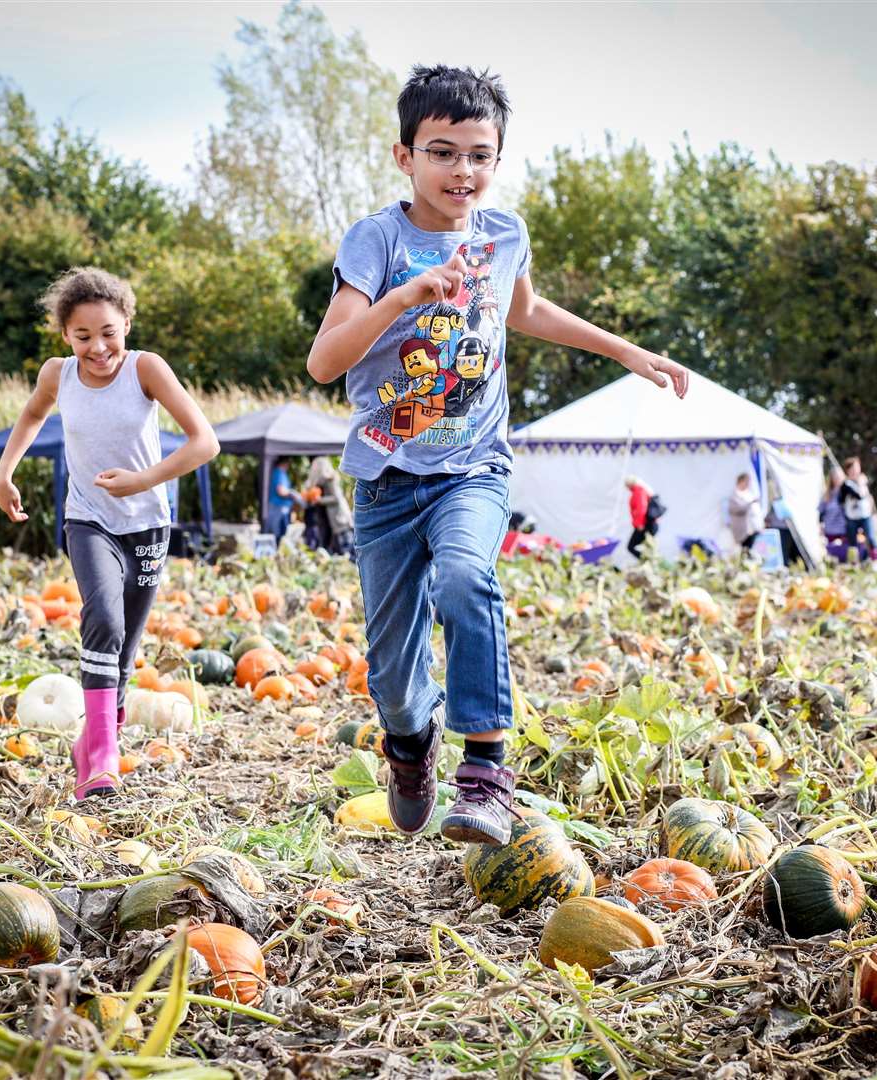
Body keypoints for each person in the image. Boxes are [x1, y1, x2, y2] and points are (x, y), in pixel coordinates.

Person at [306, 65, 690, 846]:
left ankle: (484, 768)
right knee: (393, 677)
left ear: (497, 160)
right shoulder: (377, 240)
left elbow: (527, 309)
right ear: (404, 155)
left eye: (480, 155)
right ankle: (411, 746)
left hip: (474, 467)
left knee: (466, 576)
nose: (463, 172)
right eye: (443, 153)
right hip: (385, 481)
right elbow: (324, 362)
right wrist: (406, 298)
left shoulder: (502, 234)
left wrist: (626, 351)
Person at [0, 267, 218, 800]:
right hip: (88, 518)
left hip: (147, 525)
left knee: (126, 647)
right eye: (83, 336)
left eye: (108, 333)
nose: (98, 348)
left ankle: (97, 738)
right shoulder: (58, 374)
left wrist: (143, 480)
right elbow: (30, 415)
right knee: (104, 619)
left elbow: (203, 441)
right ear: (65, 336)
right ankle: (100, 759)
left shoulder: (146, 369)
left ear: (127, 325)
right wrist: (5, 472)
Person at [305, 456, 354, 556]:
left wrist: (320, 500)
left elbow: (336, 498)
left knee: (346, 550)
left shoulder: (330, 480)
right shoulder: (323, 481)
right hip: (334, 520)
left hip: (340, 519)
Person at [838, 457, 877, 563]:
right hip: (851, 517)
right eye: (852, 468)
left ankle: (876, 560)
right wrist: (861, 483)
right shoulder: (846, 484)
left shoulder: (864, 481)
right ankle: (854, 563)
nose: (855, 471)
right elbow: (859, 495)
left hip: (865, 515)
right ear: (847, 470)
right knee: (853, 542)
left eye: (857, 467)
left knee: (870, 538)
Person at [265, 458, 301, 546]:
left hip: (280, 508)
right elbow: (280, 491)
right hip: (278, 508)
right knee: (278, 534)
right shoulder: (278, 473)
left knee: (281, 533)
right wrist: (293, 494)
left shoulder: (280, 473)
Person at [727, 472, 763, 556]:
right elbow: (735, 509)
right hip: (741, 529)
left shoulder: (749, 494)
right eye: (746, 481)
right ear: (741, 481)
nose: (747, 484)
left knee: (750, 549)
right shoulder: (734, 495)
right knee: (744, 549)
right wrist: (749, 504)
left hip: (753, 527)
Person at [625, 475, 661, 558]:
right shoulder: (640, 490)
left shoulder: (638, 491)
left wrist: (639, 524)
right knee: (648, 547)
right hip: (648, 524)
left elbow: (641, 509)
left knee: (631, 546)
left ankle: (647, 560)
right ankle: (647, 561)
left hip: (645, 525)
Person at [818, 471, 848, 562]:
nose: (838, 479)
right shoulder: (827, 495)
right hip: (830, 530)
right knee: (831, 555)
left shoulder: (848, 492)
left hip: (844, 530)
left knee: (844, 554)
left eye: (840, 477)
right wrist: (821, 526)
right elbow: (821, 513)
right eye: (836, 477)